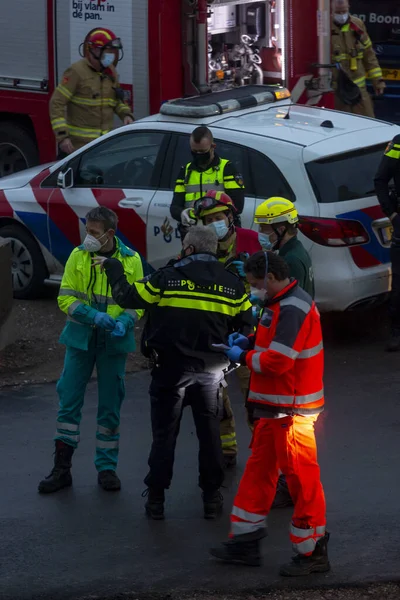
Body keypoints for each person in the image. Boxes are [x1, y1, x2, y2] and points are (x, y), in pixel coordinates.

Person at [96, 227, 253, 520]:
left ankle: (156, 500)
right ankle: (212, 498)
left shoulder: (165, 279)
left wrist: (114, 267)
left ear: (189, 249)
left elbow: (127, 297)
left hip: (170, 373)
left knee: (164, 437)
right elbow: (248, 326)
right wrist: (232, 360)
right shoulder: (231, 284)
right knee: (210, 438)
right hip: (211, 374)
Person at [210, 251, 329, 577]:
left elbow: (278, 362)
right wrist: (248, 341)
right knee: (258, 474)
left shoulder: (291, 307)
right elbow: (271, 339)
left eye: (254, 284)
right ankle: (245, 540)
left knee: (302, 482)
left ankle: (312, 552)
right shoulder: (279, 303)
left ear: (271, 279)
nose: (253, 290)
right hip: (275, 409)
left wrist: (243, 355)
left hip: (291, 413)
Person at [38, 207, 143, 494]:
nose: (88, 237)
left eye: (94, 233)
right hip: (80, 339)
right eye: (87, 230)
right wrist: (91, 315)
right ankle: (62, 469)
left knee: (110, 408)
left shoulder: (132, 260)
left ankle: (107, 469)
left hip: (113, 342)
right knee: (68, 403)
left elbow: (138, 302)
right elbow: (66, 297)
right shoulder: (78, 256)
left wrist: (124, 320)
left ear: (110, 233)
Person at [192, 190, 261, 467]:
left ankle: (262, 452)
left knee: (253, 397)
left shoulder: (252, 241)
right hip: (214, 335)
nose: (213, 225)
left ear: (231, 217)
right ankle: (226, 449)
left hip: (246, 334)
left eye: (218, 218)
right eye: (207, 221)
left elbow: (274, 280)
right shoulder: (197, 247)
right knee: (215, 399)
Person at [254, 197, 315, 508]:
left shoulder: (292, 261)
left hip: (290, 357)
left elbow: (287, 307)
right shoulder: (287, 253)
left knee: (288, 426)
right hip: (290, 351)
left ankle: (290, 487)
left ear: (281, 226)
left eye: (266, 228)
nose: (262, 233)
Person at [50, 27, 134, 158]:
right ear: (95, 50)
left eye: (113, 52)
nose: (111, 56)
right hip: (77, 149)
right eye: (108, 51)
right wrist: (62, 137)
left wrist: (126, 115)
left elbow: (116, 101)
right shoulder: (76, 72)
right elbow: (56, 103)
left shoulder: (110, 72)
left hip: (102, 148)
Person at [170, 126, 245, 237]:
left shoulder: (227, 169)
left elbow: (237, 205)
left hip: (222, 232)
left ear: (213, 147)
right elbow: (175, 206)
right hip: (194, 234)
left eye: (202, 151)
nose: (198, 155)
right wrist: (183, 214)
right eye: (195, 151)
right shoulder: (185, 172)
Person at [331, 0, 385, 118]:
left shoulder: (357, 25)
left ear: (349, 7)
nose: (341, 15)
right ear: (331, 10)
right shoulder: (325, 28)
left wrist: (378, 81)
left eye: (344, 11)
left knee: (367, 122)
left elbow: (369, 55)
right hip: (336, 92)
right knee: (340, 127)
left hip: (359, 90)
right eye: (338, 12)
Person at [374, 135, 400, 351]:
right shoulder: (398, 143)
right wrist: (391, 213)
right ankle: (397, 331)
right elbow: (380, 179)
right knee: (399, 282)